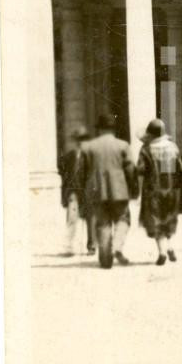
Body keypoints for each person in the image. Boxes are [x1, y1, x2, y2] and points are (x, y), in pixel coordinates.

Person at [77, 114, 137, 269]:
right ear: (113, 129)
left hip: (96, 191)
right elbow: (130, 169)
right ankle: (117, 246)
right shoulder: (123, 145)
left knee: (102, 223)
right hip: (119, 190)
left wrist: (83, 190)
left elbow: (81, 173)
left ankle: (105, 260)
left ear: (99, 129)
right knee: (123, 219)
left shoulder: (87, 147)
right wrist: (134, 188)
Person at [136, 119, 182, 266]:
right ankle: (170, 246)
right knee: (169, 219)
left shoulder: (146, 149)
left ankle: (162, 252)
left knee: (156, 221)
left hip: (153, 191)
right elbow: (181, 168)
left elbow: (140, 169)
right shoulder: (173, 147)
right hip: (172, 190)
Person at [59, 125, 92, 257]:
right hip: (73, 193)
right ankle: (69, 247)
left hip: (86, 191)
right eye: (78, 139)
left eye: (83, 139)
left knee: (89, 219)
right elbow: (65, 176)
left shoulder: (90, 156)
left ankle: (89, 246)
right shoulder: (69, 156)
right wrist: (65, 195)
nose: (80, 142)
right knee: (72, 219)